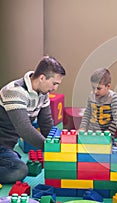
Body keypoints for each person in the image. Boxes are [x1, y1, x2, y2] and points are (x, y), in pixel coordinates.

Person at [0, 56, 66, 184]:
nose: (55, 88)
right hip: (1, 144)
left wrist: (61, 144)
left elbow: (46, 124)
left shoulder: (43, 94)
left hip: (6, 146)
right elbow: (24, 129)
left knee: (15, 160)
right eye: (54, 83)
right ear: (42, 78)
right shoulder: (14, 91)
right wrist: (50, 149)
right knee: (19, 170)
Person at [79, 68, 117, 141]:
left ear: (108, 86)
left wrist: (108, 134)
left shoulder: (113, 98)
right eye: (93, 88)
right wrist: (83, 127)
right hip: (91, 133)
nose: (95, 91)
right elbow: (87, 113)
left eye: (98, 88)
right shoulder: (91, 96)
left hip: (107, 135)